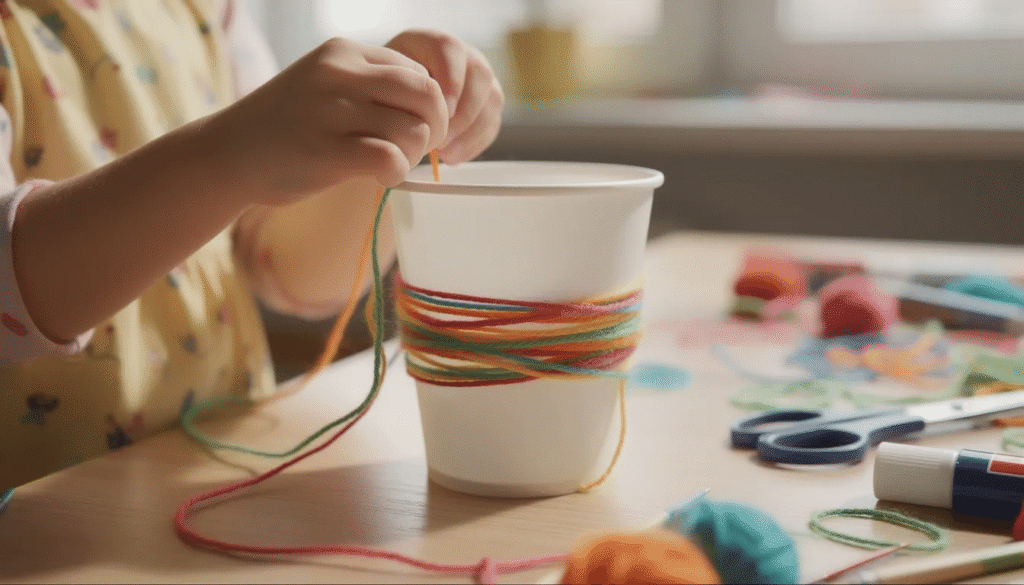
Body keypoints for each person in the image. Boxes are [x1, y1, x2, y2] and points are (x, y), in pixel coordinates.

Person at [0, 0, 504, 491]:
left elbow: (287, 269)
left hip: (218, 477)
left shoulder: (205, 10)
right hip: (37, 521)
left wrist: (381, 129)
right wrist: (232, 153)